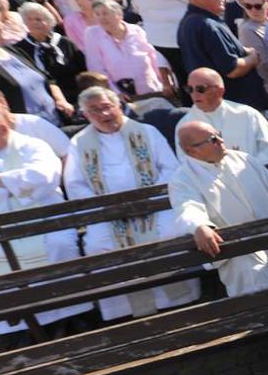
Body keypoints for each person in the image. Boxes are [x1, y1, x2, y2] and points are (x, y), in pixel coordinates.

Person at [64, 86, 200, 319]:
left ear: (118, 105)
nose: (104, 114)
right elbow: (74, 183)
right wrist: (107, 207)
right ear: (85, 115)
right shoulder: (79, 143)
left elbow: (170, 169)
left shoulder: (147, 132)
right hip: (107, 212)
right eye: (94, 110)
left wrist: (148, 199)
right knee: (98, 245)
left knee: (168, 231)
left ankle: (179, 300)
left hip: (153, 204)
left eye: (107, 107)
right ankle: (126, 311)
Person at [0, 107, 90, 332]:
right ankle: (15, 325)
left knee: (59, 245)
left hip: (42, 218)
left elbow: (45, 178)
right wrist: (15, 188)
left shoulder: (33, 145)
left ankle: (70, 311)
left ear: (3, 129)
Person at [168, 119, 268, 297]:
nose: (221, 141)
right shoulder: (182, 179)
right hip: (240, 252)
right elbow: (187, 206)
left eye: (218, 135)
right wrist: (199, 226)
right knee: (263, 294)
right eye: (213, 140)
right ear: (192, 150)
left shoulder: (243, 159)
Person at [177, 0, 265, 110]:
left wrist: (243, 50)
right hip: (237, 106)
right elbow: (232, 69)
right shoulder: (206, 25)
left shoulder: (191, 22)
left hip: (225, 105)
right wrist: (252, 58)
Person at [83, 0, 174, 103]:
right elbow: (96, 67)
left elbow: (153, 56)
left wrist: (166, 83)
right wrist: (114, 93)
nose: (101, 18)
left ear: (119, 15)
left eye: (105, 13)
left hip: (152, 89)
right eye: (97, 14)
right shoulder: (92, 35)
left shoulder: (137, 31)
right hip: (124, 96)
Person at [13, 3, 86, 104]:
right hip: (45, 99)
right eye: (30, 19)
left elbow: (83, 68)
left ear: (49, 22)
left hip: (76, 94)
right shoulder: (19, 49)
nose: (35, 23)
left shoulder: (64, 42)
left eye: (39, 19)